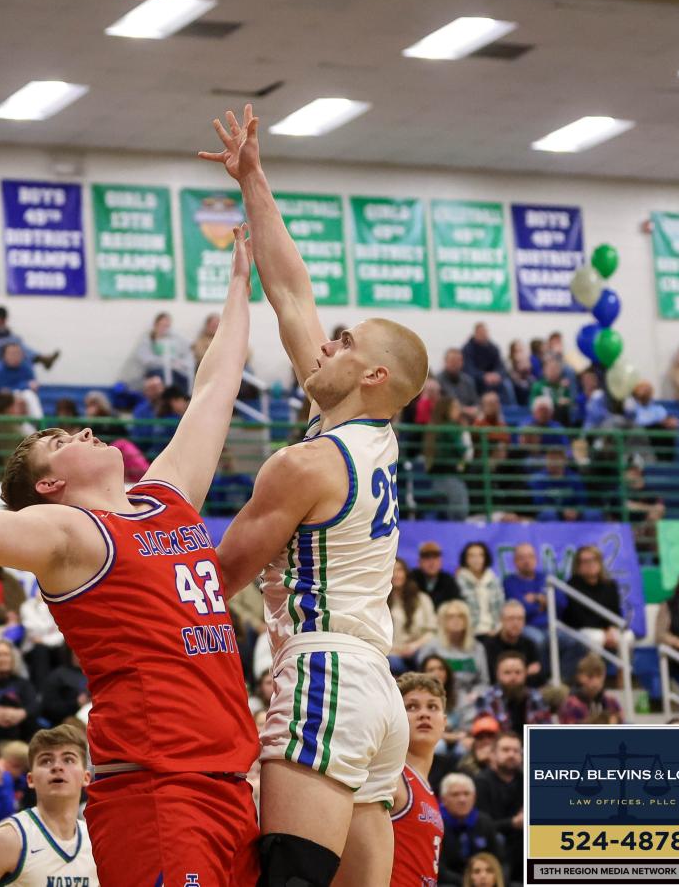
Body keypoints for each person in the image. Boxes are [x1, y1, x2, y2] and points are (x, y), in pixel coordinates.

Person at [0, 220, 259, 884]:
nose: (82, 430)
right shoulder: (69, 533)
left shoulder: (165, 498)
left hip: (229, 781)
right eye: (60, 441)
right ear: (50, 486)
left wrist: (239, 284)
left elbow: (216, 387)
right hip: (156, 788)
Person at [202, 102, 430, 887]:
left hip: (325, 670)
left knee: (290, 877)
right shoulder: (364, 432)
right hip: (375, 693)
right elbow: (292, 294)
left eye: (346, 342)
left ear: (372, 374)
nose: (326, 340)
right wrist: (253, 179)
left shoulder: (310, 463)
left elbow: (219, 578)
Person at [0, 724, 96, 886]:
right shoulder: (6, 839)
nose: (57, 767)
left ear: (86, 777)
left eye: (68, 759)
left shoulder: (96, 842)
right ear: (30, 780)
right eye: (46, 761)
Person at [389, 674, 447, 887]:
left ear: (444, 722)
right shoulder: (392, 775)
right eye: (412, 707)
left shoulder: (426, 787)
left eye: (433, 707)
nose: (424, 714)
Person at [562, 544, 633, 658]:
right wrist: (605, 632)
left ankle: (623, 669)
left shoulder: (610, 585)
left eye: (594, 560)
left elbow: (616, 613)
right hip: (582, 629)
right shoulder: (572, 586)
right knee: (597, 637)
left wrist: (612, 628)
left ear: (600, 562)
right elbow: (579, 618)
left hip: (606, 629)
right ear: (578, 566)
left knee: (628, 636)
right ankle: (595, 669)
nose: (590, 564)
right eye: (585, 561)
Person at [418, 601, 490, 712]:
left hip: (469, 700)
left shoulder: (477, 648)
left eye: (460, 616)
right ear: (442, 621)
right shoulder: (431, 647)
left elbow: (483, 681)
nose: (456, 620)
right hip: (437, 698)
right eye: (450, 617)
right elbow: (421, 678)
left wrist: (476, 693)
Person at [436, 774, 506, 887]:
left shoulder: (485, 822)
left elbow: (498, 859)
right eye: (455, 794)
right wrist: (468, 882)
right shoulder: (436, 824)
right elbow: (438, 867)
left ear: (474, 797)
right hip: (450, 883)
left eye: (466, 794)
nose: (462, 799)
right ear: (444, 799)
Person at [472, 731, 523, 878]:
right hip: (492, 847)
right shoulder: (481, 782)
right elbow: (482, 825)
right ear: (493, 754)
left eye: (516, 751)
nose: (511, 754)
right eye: (506, 750)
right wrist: (512, 823)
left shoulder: (527, 780)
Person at [472, 652, 552, 733]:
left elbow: (547, 731)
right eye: (507, 673)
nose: (513, 677)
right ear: (498, 675)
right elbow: (485, 733)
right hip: (500, 740)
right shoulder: (487, 699)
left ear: (525, 673)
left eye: (518, 672)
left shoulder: (536, 697)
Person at [121, 311, 195, 392]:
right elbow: (146, 360)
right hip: (155, 371)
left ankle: (183, 398)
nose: (165, 329)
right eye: (162, 325)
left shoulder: (173, 341)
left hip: (173, 371)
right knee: (166, 379)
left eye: (167, 326)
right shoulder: (147, 341)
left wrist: (177, 363)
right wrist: (165, 362)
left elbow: (187, 349)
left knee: (183, 379)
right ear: (155, 325)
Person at [389, 559, 437, 674]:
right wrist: (397, 649)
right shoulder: (381, 602)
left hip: (419, 647)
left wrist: (414, 646)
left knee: (425, 657)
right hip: (393, 651)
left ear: (406, 573)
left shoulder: (422, 599)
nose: (396, 574)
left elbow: (432, 631)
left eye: (399, 570)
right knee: (394, 664)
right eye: (392, 570)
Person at [481, 601, 543, 686]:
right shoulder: (489, 646)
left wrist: (507, 673)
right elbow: (491, 678)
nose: (515, 623)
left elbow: (539, 678)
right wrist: (525, 672)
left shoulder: (530, 645)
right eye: (511, 618)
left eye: (520, 619)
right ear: (501, 620)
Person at [501, 542, 548, 650]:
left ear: (536, 559)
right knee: (539, 640)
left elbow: (561, 603)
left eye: (530, 556)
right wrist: (542, 603)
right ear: (515, 562)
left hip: (550, 626)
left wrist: (535, 598)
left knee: (574, 642)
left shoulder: (546, 578)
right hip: (526, 626)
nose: (527, 561)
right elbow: (521, 609)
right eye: (522, 558)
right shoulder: (510, 582)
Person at [558, 652, 625, 724]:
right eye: (590, 677)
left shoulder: (611, 701)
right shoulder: (571, 704)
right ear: (580, 677)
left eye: (599, 676)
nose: (596, 682)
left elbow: (622, 723)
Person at [455, 542, 503, 639]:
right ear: (465, 560)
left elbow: (501, 608)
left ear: (485, 558)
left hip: (493, 631)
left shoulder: (494, 580)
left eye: (480, 555)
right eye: (472, 556)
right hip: (469, 633)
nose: (476, 559)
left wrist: (498, 628)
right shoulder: (458, 582)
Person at [461, 323, 514, 405]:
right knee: (470, 381)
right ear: (475, 334)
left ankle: (509, 408)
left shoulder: (493, 348)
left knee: (507, 384)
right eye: (481, 333)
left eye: (485, 332)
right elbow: (468, 368)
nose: (484, 335)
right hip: (477, 379)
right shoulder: (467, 349)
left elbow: (501, 366)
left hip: (493, 378)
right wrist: (483, 376)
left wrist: (497, 374)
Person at [410, 541, 462, 611]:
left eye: (435, 558)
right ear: (419, 562)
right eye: (427, 558)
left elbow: (456, 603)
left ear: (441, 562)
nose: (432, 562)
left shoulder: (448, 580)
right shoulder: (411, 579)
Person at [435, 348, 479, 420]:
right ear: (445, 362)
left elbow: (476, 407)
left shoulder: (468, 381)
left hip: (467, 420)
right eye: (452, 361)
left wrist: (464, 410)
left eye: (458, 361)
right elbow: (439, 406)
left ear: (462, 362)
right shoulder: (437, 381)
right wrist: (462, 410)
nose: (455, 364)